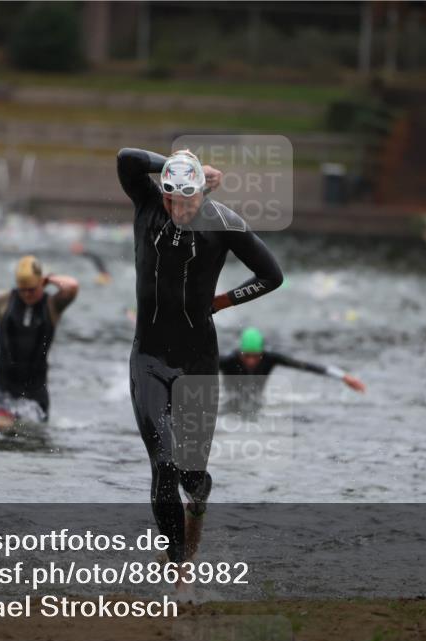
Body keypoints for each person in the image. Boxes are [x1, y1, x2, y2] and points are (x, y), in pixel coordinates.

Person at [117, 147, 283, 575]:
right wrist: (175, 163)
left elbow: (272, 275)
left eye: (192, 201)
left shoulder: (222, 222)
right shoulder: (148, 207)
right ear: (166, 195)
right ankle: (177, 570)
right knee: (163, 462)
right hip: (149, 358)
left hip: (198, 363)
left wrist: (223, 301)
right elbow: (127, 159)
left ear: (203, 195)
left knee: (191, 476)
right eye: (176, 200)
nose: (183, 210)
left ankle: (199, 502)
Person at [0, 255, 79, 423]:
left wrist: (49, 278)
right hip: (3, 387)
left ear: (41, 283)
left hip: (36, 392)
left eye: (31, 289)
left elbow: (72, 286)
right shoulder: (2, 302)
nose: (26, 294)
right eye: (22, 289)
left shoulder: (53, 305)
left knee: (32, 439)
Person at [219, 327, 366, 401]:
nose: (251, 360)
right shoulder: (228, 361)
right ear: (239, 352)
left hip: (258, 400)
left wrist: (343, 377)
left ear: (262, 353)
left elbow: (306, 366)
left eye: (255, 356)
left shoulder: (270, 358)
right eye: (247, 356)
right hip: (231, 399)